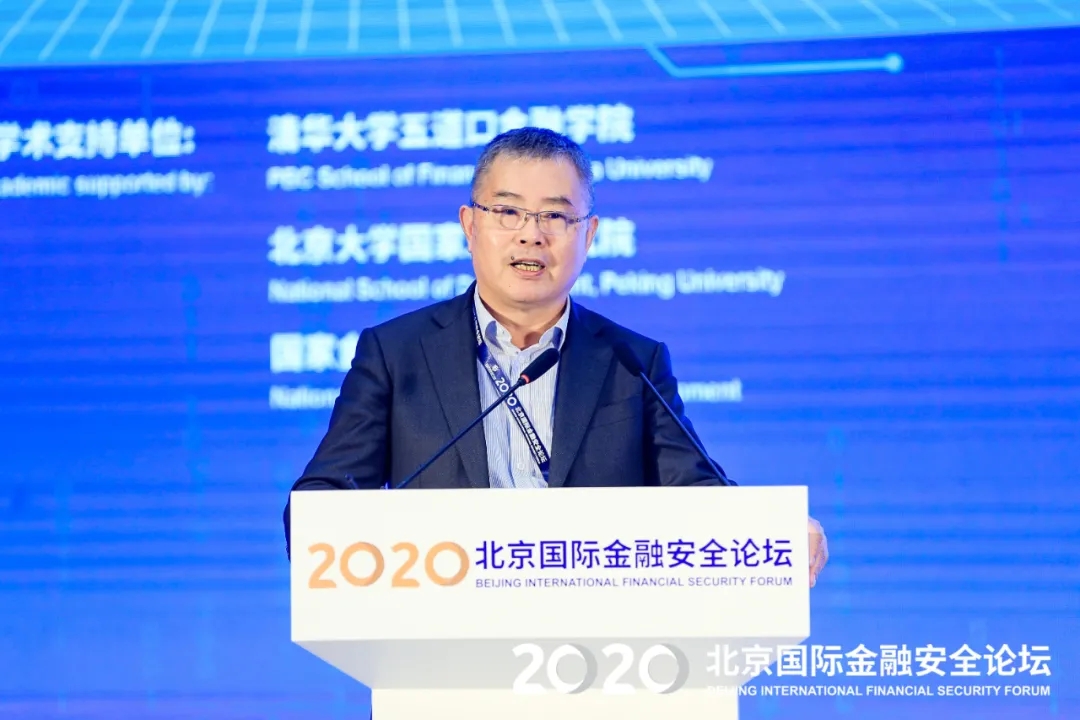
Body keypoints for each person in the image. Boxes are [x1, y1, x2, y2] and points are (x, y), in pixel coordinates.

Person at [283, 127, 828, 586]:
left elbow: (698, 491)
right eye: (507, 211)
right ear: (470, 226)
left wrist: (774, 535)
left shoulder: (632, 362)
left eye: (555, 217)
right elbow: (323, 495)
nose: (531, 235)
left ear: (589, 235)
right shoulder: (396, 353)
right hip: (439, 629)